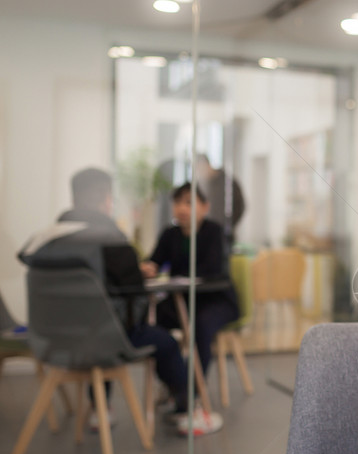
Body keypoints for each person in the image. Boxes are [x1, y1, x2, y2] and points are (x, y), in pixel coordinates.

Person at [17, 167, 222, 436]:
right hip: (105, 340)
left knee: (96, 326)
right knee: (164, 342)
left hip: (53, 340)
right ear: (106, 199)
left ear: (75, 198)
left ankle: (99, 410)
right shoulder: (111, 239)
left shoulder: (40, 242)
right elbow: (134, 295)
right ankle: (188, 411)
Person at [141, 183, 239, 381]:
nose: (182, 208)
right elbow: (155, 261)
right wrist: (149, 267)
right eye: (177, 203)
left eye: (189, 203)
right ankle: (177, 384)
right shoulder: (170, 234)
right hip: (184, 301)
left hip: (216, 301)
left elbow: (212, 268)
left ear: (205, 207)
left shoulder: (214, 231)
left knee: (201, 325)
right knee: (152, 325)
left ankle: (193, 393)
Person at [195, 155, 245, 246]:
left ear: (206, 164)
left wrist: (229, 224)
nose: (199, 171)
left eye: (199, 167)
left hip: (224, 235)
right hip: (204, 234)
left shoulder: (228, 182)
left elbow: (240, 206)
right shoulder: (200, 185)